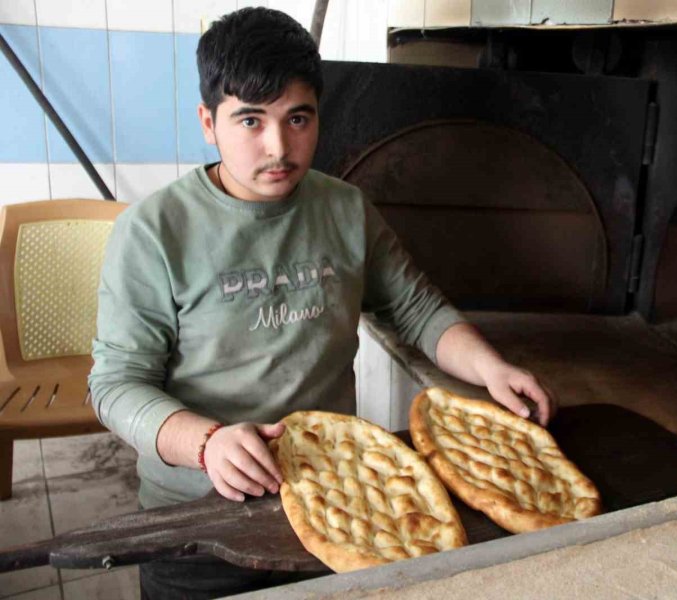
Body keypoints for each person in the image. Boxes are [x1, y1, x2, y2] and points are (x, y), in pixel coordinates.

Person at [89, 6, 554, 599]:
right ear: (208, 122)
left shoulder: (345, 209)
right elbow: (115, 385)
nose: (278, 146)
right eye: (250, 121)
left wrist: (494, 370)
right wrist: (207, 444)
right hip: (199, 516)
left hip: (340, 490)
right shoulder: (153, 231)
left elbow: (416, 309)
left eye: (298, 119)